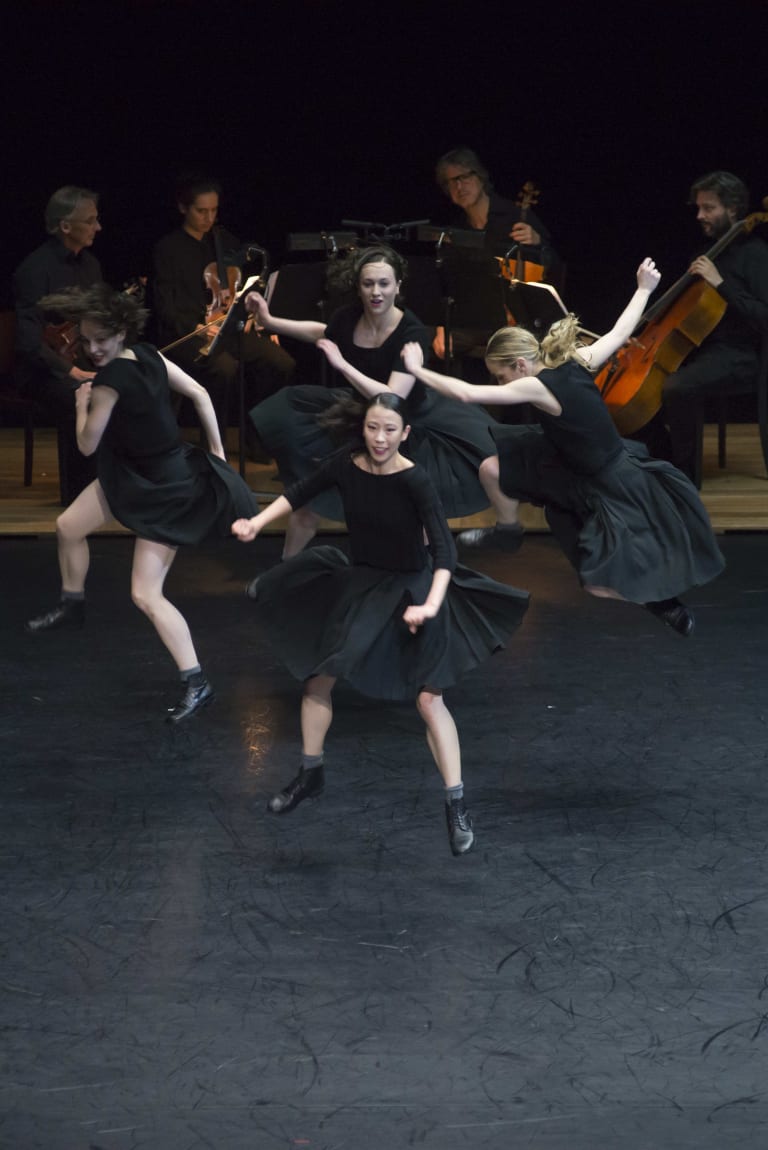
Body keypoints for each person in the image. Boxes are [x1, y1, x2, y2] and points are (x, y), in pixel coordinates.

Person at [232, 392, 529, 855]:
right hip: (365, 586)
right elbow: (299, 493)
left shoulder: (415, 480)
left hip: (416, 588)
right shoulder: (345, 465)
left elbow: (444, 552)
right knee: (318, 678)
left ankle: (455, 804)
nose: (380, 438)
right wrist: (256, 521)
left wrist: (430, 605)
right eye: (373, 428)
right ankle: (311, 772)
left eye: (390, 430)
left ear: (405, 434)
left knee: (429, 699)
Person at [401, 259, 726, 637]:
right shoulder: (576, 360)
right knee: (490, 468)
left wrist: (418, 370)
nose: (502, 383)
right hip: (564, 455)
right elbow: (619, 333)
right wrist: (643, 289)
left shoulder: (538, 386)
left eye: (502, 376)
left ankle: (659, 602)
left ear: (520, 365)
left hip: (608, 480)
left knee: (598, 583)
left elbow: (468, 393)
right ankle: (508, 530)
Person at [25, 285, 258, 722]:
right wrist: (218, 454)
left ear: (121, 332)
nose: (93, 349)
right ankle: (73, 604)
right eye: (86, 340)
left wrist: (81, 404)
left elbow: (87, 445)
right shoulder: (149, 354)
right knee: (68, 526)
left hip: (164, 491)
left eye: (102, 340)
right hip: (134, 474)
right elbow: (200, 394)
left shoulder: (108, 381)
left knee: (145, 594)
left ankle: (197, 683)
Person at [246, 244, 498, 557]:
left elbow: (391, 397)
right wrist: (270, 321)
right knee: (310, 503)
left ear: (398, 286)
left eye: (383, 284)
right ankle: (286, 570)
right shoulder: (348, 317)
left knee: (415, 512)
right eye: (368, 284)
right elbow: (323, 332)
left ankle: (421, 574)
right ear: (358, 287)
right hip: (359, 415)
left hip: (406, 426)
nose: (376, 292)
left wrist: (343, 366)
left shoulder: (412, 332)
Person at [634, 171, 768, 481]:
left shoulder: (757, 255)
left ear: (732, 209)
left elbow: (764, 317)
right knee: (641, 387)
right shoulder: (704, 255)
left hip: (742, 356)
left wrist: (721, 284)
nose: (699, 215)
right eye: (698, 208)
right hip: (700, 351)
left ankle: (685, 478)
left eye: (708, 208)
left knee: (678, 388)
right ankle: (663, 457)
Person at [151, 174, 295, 433]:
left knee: (280, 362)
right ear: (183, 208)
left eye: (214, 210)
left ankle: (258, 432)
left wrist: (255, 319)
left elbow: (244, 288)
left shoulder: (225, 242)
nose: (209, 218)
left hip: (225, 328)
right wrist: (196, 327)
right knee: (224, 368)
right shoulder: (167, 249)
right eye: (201, 211)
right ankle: (214, 438)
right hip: (188, 333)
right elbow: (165, 307)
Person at [13, 186, 104, 504]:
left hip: (82, 362)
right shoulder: (34, 270)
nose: (98, 227)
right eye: (90, 221)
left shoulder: (91, 265)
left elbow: (97, 322)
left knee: (125, 385)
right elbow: (28, 343)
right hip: (41, 370)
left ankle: (113, 485)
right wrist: (70, 371)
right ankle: (79, 496)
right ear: (66, 226)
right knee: (78, 397)